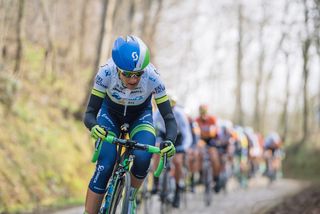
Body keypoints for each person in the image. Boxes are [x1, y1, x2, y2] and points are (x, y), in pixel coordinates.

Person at [83, 35, 177, 214]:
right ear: (118, 68)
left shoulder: (153, 77)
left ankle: (131, 197)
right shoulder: (105, 73)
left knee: (143, 157)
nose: (133, 79)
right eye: (128, 74)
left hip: (140, 117)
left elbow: (169, 118)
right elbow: (89, 113)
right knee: (106, 163)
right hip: (109, 115)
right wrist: (93, 125)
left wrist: (170, 140)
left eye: (138, 74)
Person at [153, 95, 192, 208]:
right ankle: (156, 181)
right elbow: (153, 127)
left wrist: (184, 147)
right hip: (163, 134)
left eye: (172, 106)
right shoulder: (157, 113)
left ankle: (177, 190)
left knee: (178, 162)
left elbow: (187, 134)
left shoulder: (180, 114)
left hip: (178, 137)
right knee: (156, 152)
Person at [195, 104, 221, 193]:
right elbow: (195, 132)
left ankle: (216, 178)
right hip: (202, 140)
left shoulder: (212, 119)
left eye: (205, 112)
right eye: (201, 112)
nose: (203, 115)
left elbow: (216, 132)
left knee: (214, 157)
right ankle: (201, 174)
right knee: (198, 154)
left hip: (212, 140)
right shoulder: (197, 120)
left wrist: (214, 135)